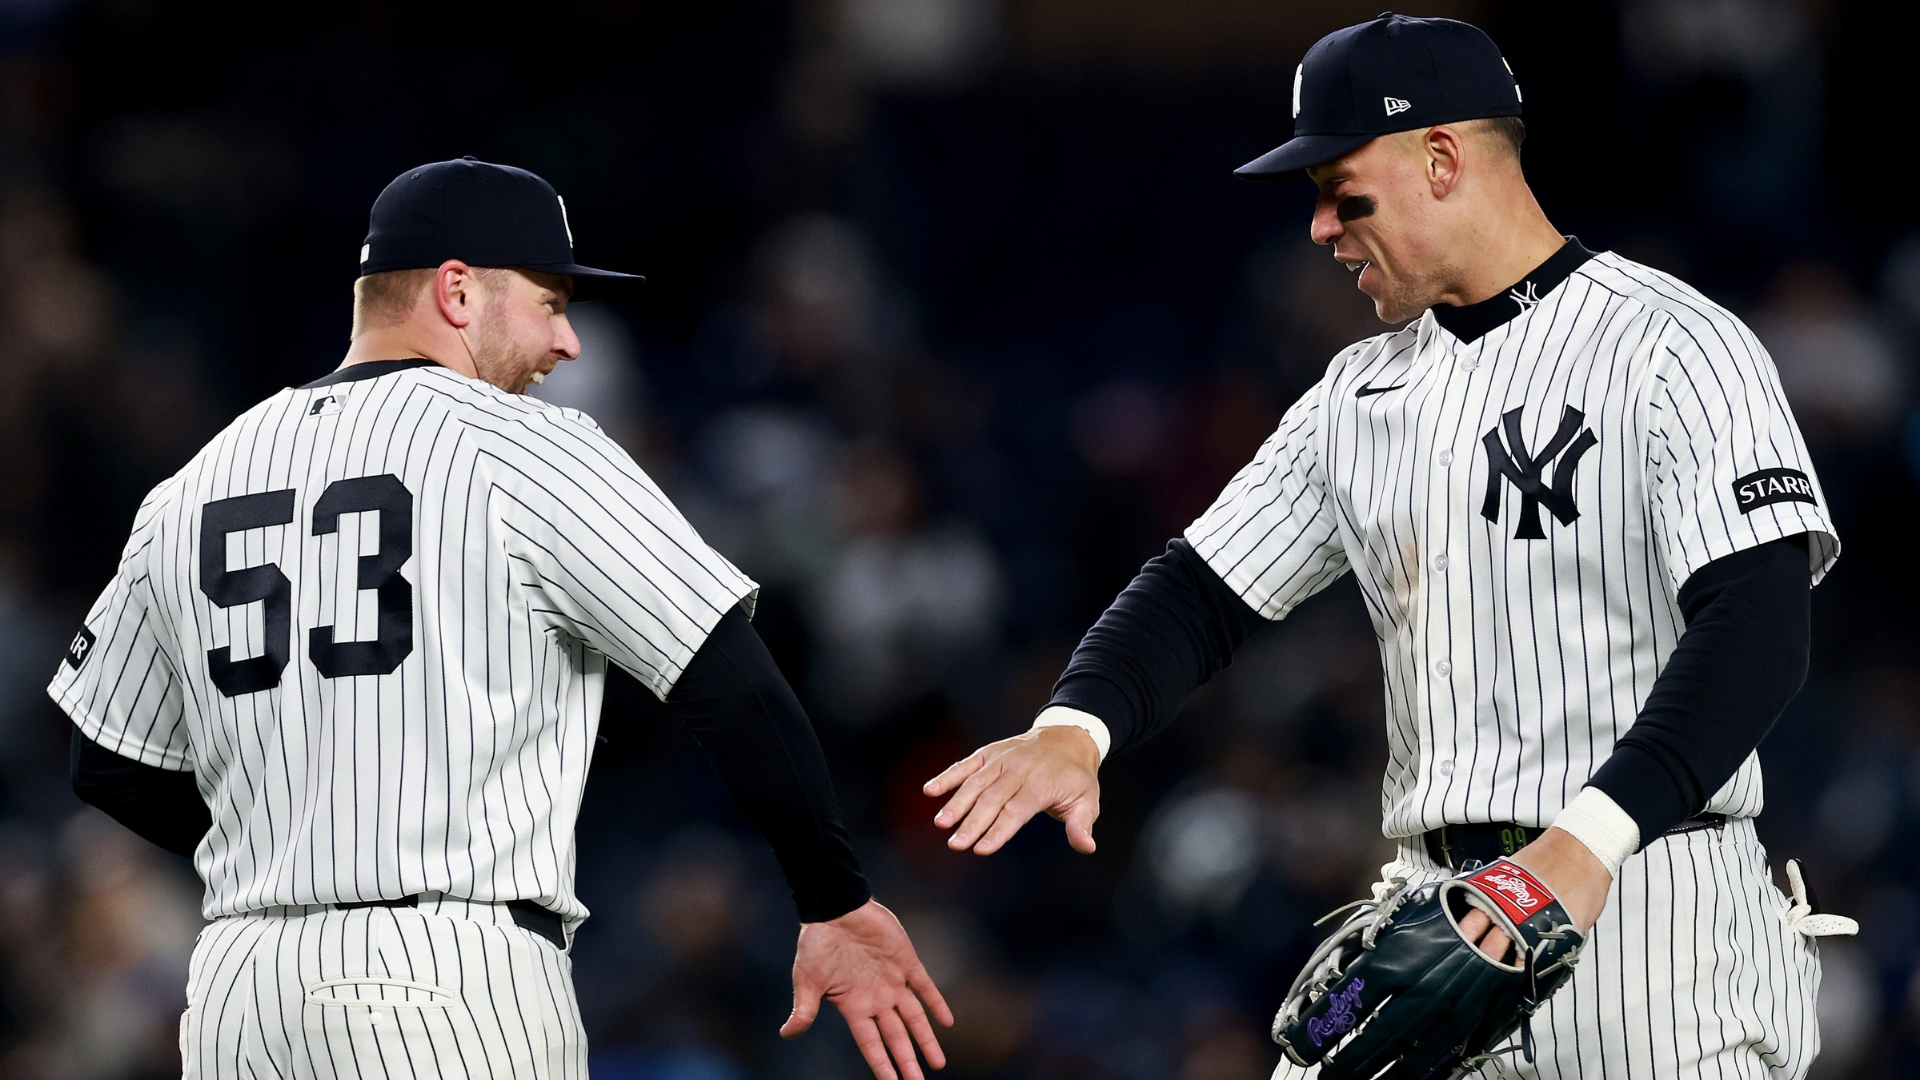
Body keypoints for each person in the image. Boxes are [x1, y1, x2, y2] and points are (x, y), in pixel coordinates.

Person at [924, 14, 1852, 1078]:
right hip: (1431, 919)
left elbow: (1762, 626)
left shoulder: (1673, 345)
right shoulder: (1357, 395)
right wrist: (1074, 728)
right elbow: (1198, 589)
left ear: (1442, 157)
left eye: (1342, 191)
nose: (1320, 228)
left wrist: (1584, 843)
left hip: (1648, 913)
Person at [51, 157, 951, 1080]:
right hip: (444, 980)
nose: (568, 343)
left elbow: (107, 764)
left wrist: (290, 848)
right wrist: (832, 898)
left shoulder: (191, 484)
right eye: (551, 302)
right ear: (456, 291)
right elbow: (733, 683)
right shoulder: (519, 444)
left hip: (240, 997)